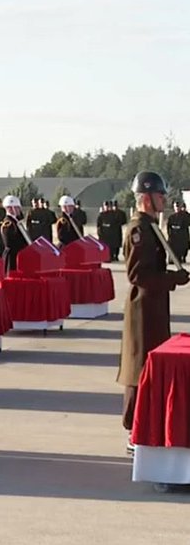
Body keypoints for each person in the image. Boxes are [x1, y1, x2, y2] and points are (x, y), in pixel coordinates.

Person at [119, 171, 190, 441]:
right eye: (160, 195)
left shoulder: (150, 226)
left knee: (147, 367)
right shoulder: (139, 229)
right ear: (147, 198)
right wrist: (172, 278)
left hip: (154, 306)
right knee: (139, 368)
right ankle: (134, 428)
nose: (164, 200)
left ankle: (141, 425)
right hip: (143, 309)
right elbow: (137, 275)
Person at [0, 195, 31, 273]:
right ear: (9, 208)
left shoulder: (15, 222)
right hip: (12, 257)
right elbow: (9, 242)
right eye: (16, 207)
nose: (19, 210)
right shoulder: (8, 223)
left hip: (17, 255)